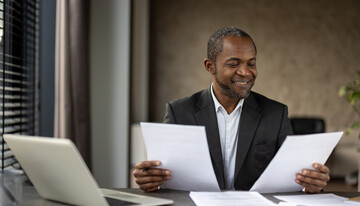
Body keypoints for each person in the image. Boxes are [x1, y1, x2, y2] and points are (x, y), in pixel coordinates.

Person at [133, 27, 330, 193]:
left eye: (251, 63)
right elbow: (164, 177)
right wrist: (150, 180)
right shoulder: (179, 112)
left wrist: (311, 184)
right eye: (233, 64)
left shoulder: (276, 114)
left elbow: (293, 177)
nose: (245, 72)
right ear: (210, 66)